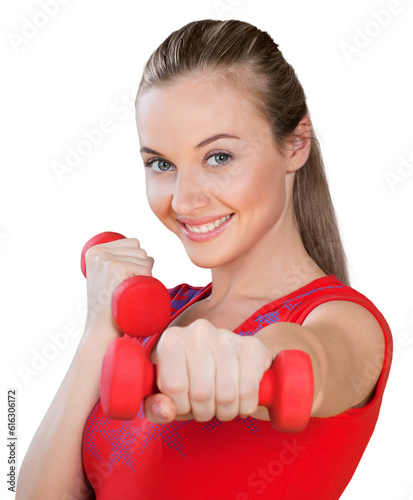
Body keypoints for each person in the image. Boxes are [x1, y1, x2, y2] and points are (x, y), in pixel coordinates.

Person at [16, 19, 393, 499]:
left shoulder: (344, 321)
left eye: (218, 157)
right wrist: (99, 327)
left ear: (295, 144)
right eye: (162, 164)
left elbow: (310, 360)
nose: (184, 200)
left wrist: (245, 360)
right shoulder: (156, 313)